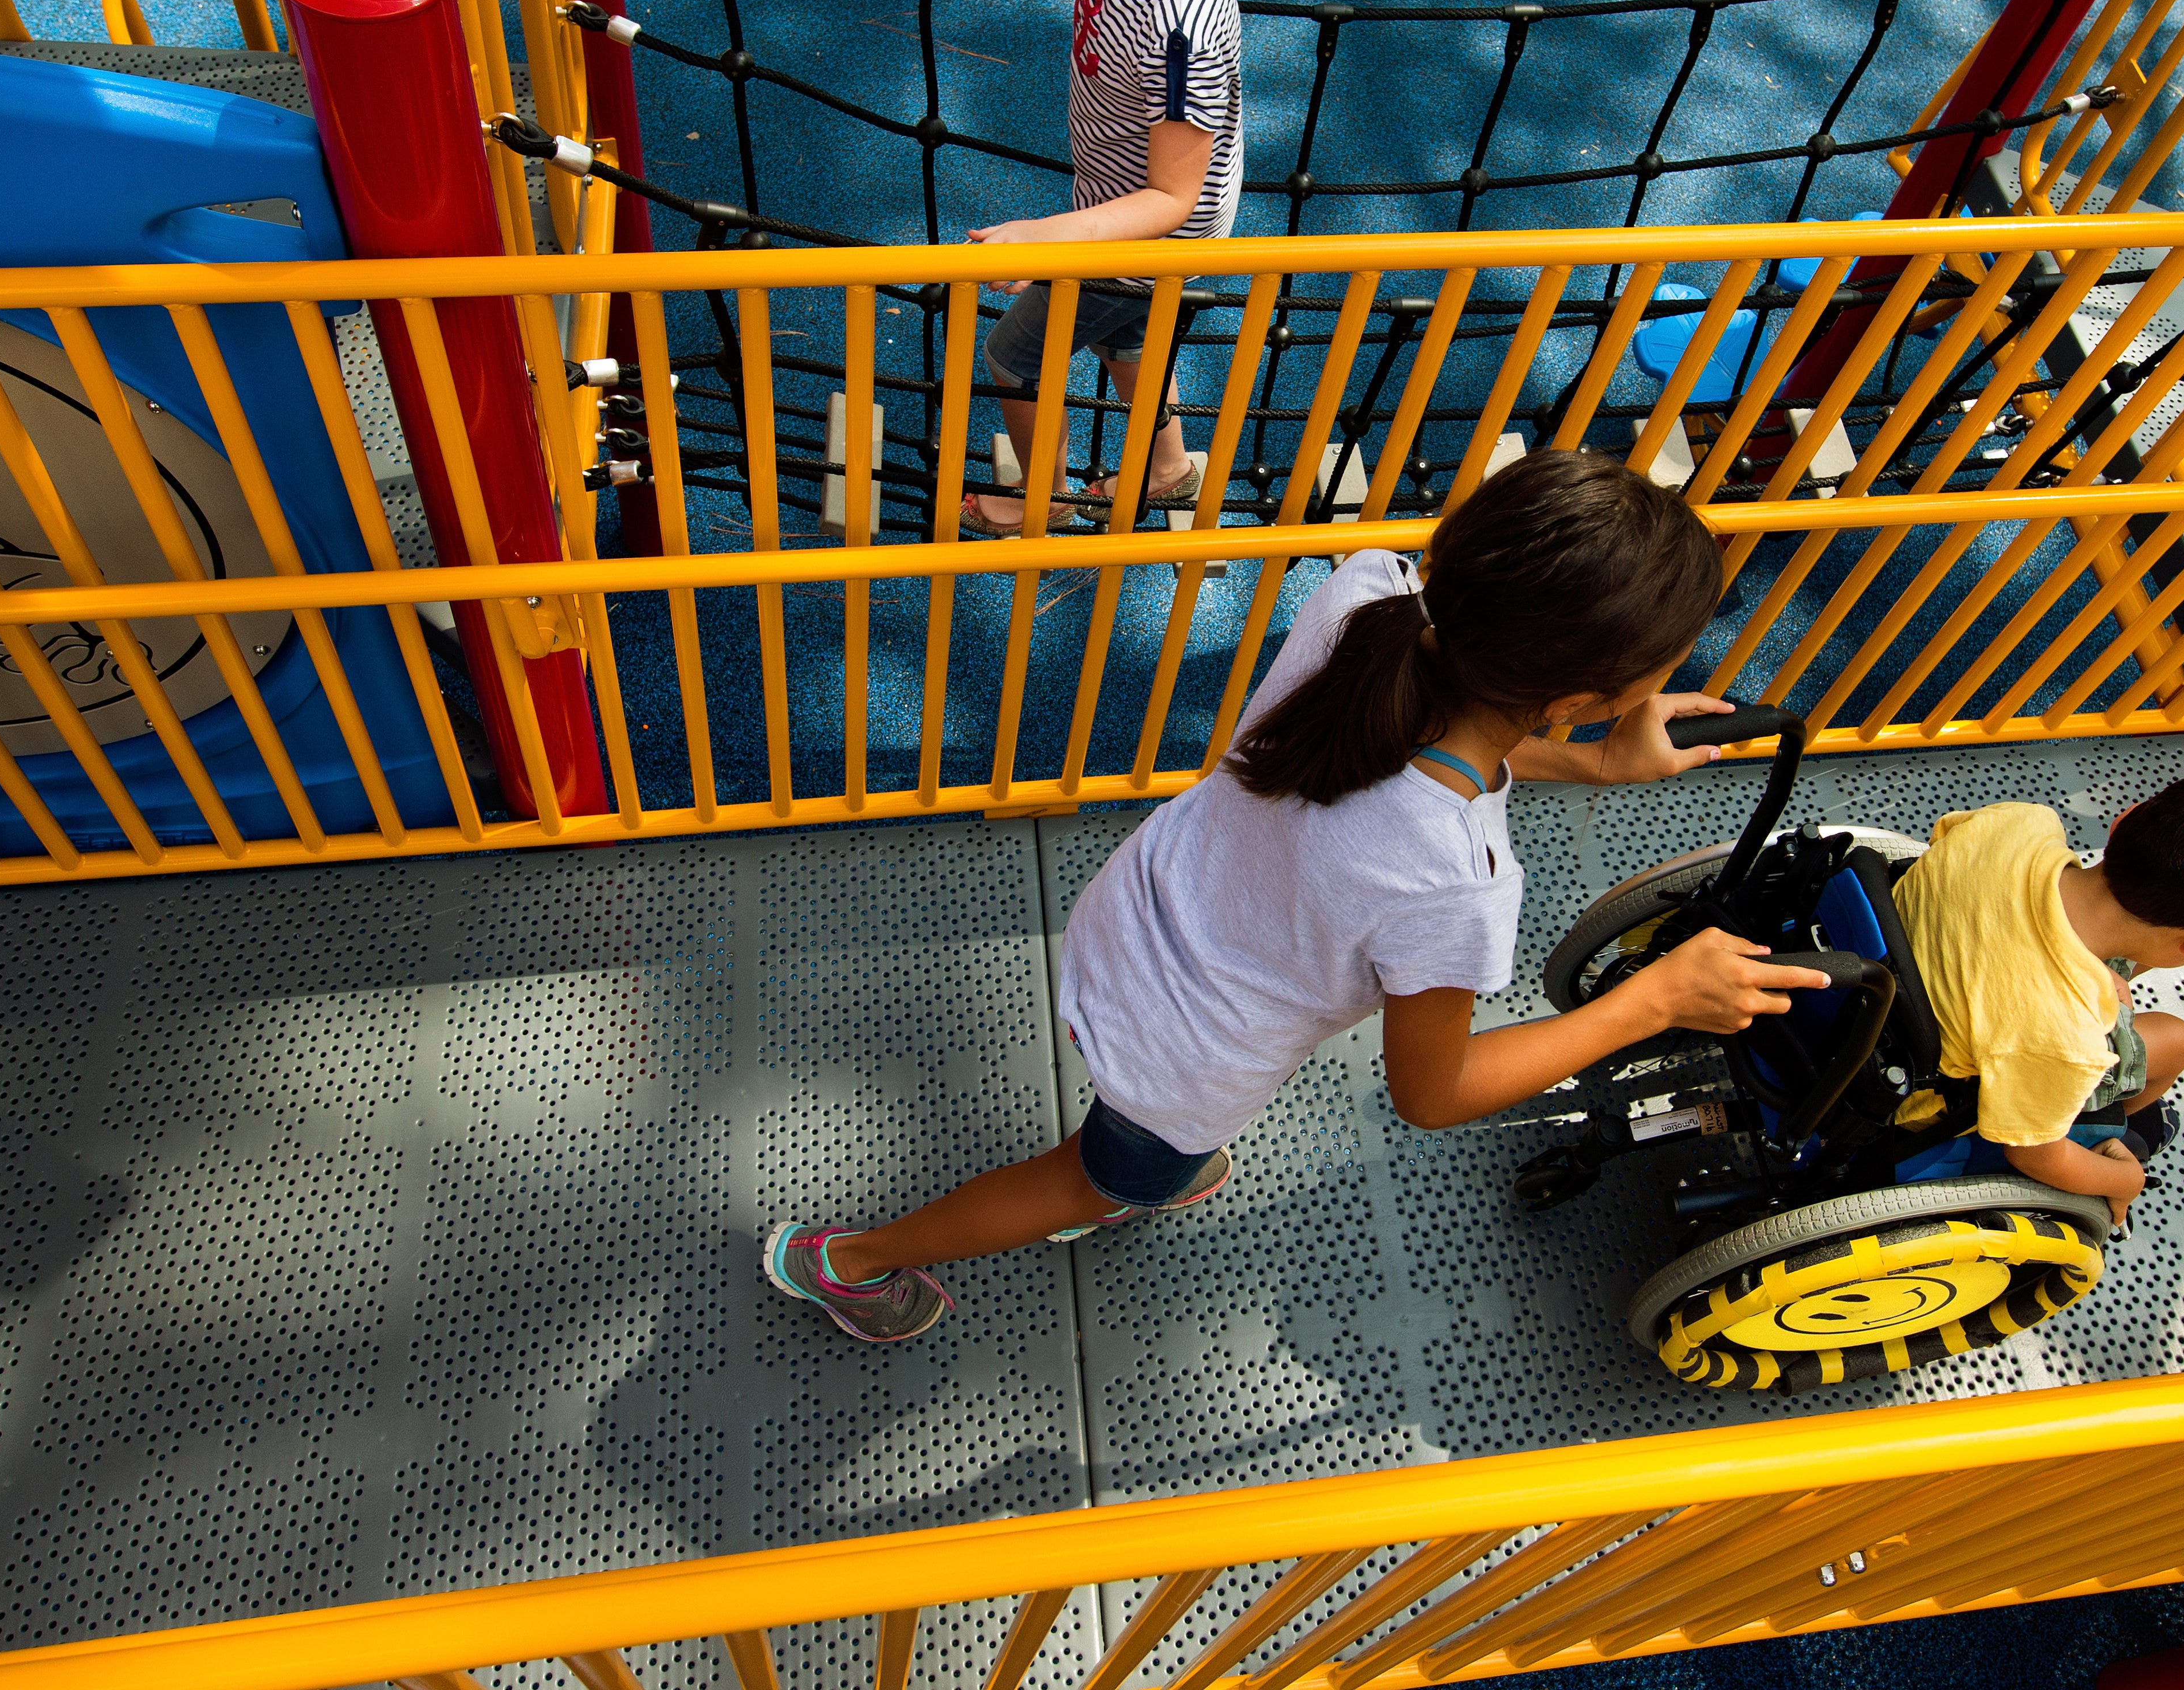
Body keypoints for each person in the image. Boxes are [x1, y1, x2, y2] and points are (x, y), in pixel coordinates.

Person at [764, 452, 1834, 1338]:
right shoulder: (1458, 883)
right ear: (1579, 698)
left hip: (1140, 909)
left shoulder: (1367, 598)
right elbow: (1434, 1091)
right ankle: (846, 1257)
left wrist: (1593, 760)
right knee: (1097, 1179)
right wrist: (1652, 1000)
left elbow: (1435, 730)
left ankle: (1131, 1167)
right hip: (1188, 1055)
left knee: (1136, 1148)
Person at [924, 0, 1248, 535]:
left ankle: (1045, 502)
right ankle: (1167, 472)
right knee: (1128, 345)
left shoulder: (1183, 37)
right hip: (1130, 213)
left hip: (1147, 235)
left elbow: (1172, 197)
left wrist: (1048, 238)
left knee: (1016, 354)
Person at [1890, 775, 2184, 1229]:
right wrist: (2122, 1182)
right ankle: (2105, 1120)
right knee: (2174, 1040)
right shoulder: (2069, 1038)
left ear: (2123, 821)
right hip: (1922, 1102)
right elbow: (2033, 1156)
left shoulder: (2023, 822)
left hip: (1880, 985)